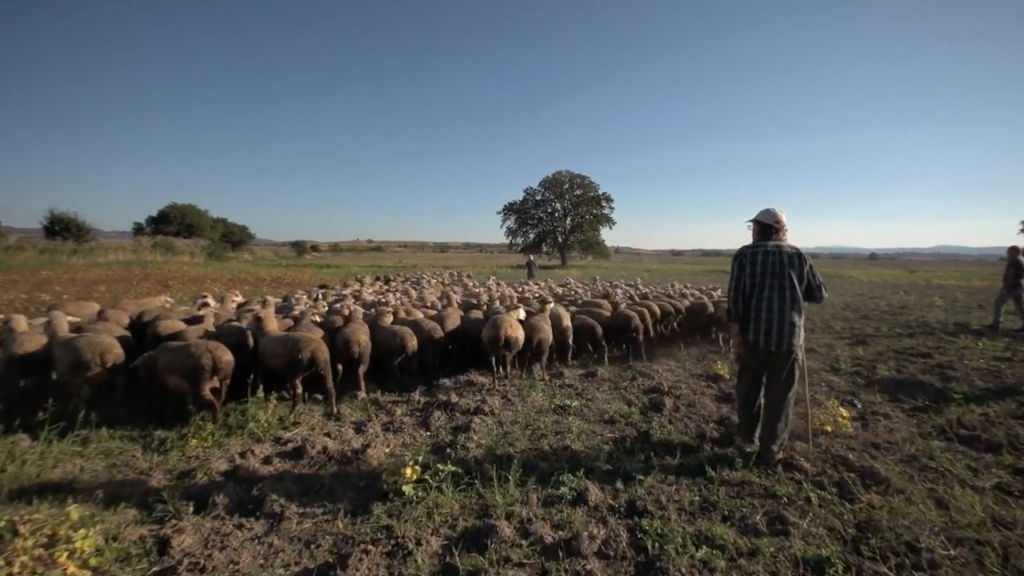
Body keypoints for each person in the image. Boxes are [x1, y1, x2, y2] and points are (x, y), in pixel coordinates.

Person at [726, 207, 827, 467]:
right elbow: (818, 295)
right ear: (782, 231)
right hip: (787, 339)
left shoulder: (745, 256)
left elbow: (735, 301)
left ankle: (746, 438)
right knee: (779, 398)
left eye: (754, 228)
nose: (752, 233)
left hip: (752, 338)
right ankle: (770, 453)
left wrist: (736, 334)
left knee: (748, 390)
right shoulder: (799, 256)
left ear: (765, 229)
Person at [985, 245, 1024, 332]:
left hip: (1013, 286)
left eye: (1009, 251)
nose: (1007, 253)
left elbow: (1011, 275)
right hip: (1020, 286)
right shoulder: (1021, 260)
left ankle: (996, 324)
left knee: (999, 302)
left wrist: (1005, 288)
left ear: (1015, 252)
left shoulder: (1014, 261)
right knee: (1020, 306)